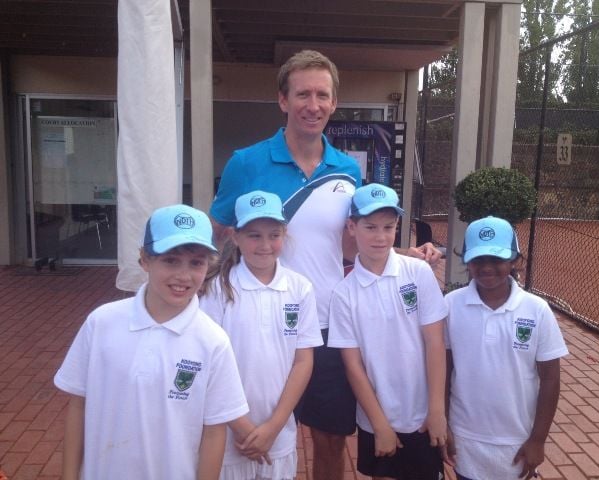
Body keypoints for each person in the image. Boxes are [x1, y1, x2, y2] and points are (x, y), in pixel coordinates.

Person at [209, 49, 442, 480]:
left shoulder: (346, 170)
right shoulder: (246, 163)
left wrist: (406, 253)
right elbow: (218, 233)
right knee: (248, 436)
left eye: (322, 95)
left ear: (334, 102)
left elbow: (352, 244)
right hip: (258, 322)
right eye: (302, 94)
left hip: (328, 326)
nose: (312, 105)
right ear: (283, 100)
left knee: (331, 442)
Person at [54, 204, 249, 480]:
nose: (183, 275)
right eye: (171, 260)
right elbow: (78, 406)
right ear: (144, 260)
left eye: (196, 262)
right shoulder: (101, 323)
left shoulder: (213, 341)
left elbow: (214, 431)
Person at [328, 183, 449, 480]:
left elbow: (435, 343)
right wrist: (379, 424)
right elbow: (353, 366)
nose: (380, 237)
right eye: (370, 227)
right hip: (376, 419)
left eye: (388, 227)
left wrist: (436, 410)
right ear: (352, 227)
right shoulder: (343, 293)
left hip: (422, 416)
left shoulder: (418, 272)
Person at [200, 190, 323, 480]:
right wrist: (242, 427)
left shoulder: (300, 288)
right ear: (235, 237)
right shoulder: (217, 288)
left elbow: (303, 361)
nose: (265, 245)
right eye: (254, 235)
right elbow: (208, 365)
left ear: (285, 234)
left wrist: (273, 427)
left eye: (274, 235)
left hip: (278, 435)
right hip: (226, 435)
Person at [444, 216, 569, 480]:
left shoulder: (536, 310)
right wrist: (444, 425)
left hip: (517, 441)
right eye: (478, 259)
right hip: (466, 437)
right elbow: (443, 371)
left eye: (497, 259)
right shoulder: (451, 305)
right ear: (466, 260)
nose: (486, 267)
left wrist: (538, 439)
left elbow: (550, 379)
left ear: (515, 260)